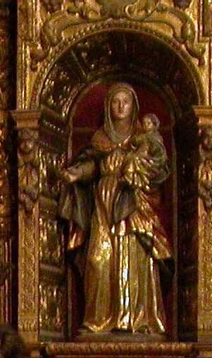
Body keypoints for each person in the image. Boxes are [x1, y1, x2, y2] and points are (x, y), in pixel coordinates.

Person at [58, 82, 172, 337]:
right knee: (98, 260)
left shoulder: (144, 137)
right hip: (103, 205)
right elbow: (92, 165)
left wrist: (137, 168)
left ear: (134, 107)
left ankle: (136, 319)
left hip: (134, 205)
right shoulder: (100, 139)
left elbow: (158, 168)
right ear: (109, 107)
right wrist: (77, 173)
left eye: (125, 102)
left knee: (135, 258)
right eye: (116, 102)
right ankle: (98, 319)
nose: (121, 107)